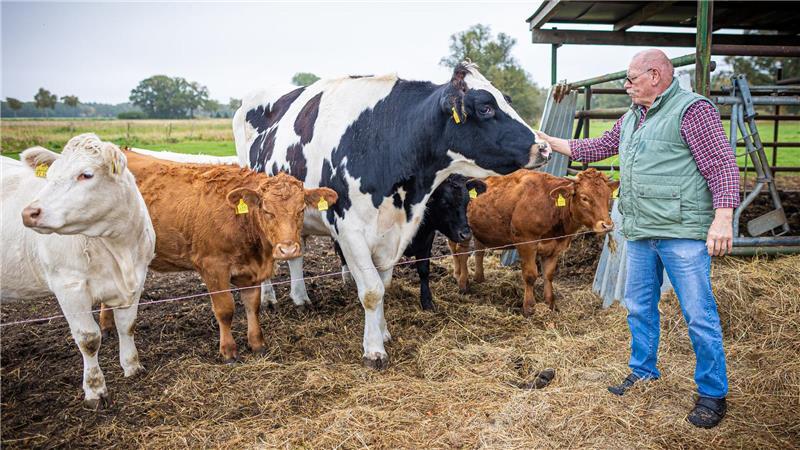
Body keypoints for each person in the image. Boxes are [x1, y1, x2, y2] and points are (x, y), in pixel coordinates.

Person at [535, 49, 739, 429]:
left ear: (656, 76)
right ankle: (642, 372)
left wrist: (723, 217)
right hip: (641, 232)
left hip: (683, 235)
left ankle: (712, 392)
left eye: (631, 78)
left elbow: (722, 164)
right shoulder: (633, 117)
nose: (626, 84)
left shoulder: (692, 111)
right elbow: (595, 147)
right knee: (639, 307)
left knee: (699, 314)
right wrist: (550, 140)